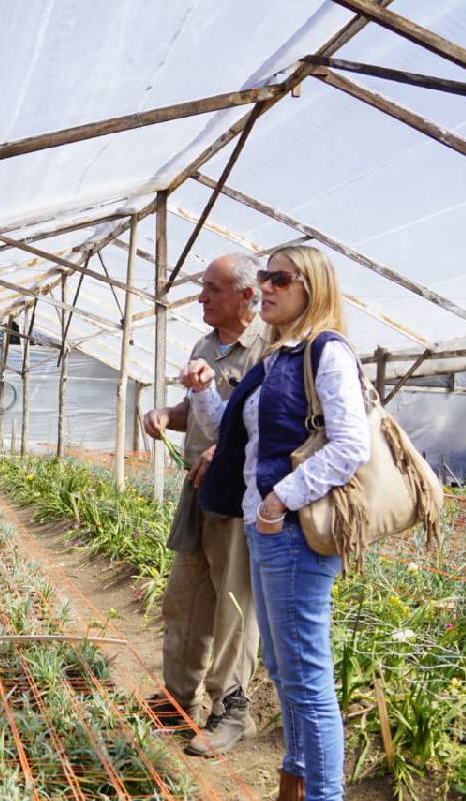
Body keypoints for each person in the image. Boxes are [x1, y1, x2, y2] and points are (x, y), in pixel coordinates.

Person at [183, 246, 369, 801]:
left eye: (279, 278)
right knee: (286, 672)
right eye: (263, 276)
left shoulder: (327, 353)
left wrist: (277, 501)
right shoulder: (276, 358)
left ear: (311, 288)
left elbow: (350, 446)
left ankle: (323, 795)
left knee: (308, 678)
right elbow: (233, 433)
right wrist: (201, 390)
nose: (265, 285)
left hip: (292, 533)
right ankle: (293, 783)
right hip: (266, 530)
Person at [142, 253, 267, 756]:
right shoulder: (203, 345)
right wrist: (162, 414)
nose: (201, 298)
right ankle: (178, 698)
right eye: (202, 289)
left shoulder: (266, 350)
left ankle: (232, 710)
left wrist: (224, 449)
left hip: (237, 499)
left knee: (234, 608)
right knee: (185, 598)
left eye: (212, 290)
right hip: (197, 492)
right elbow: (197, 413)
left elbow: (268, 425)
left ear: (245, 296)